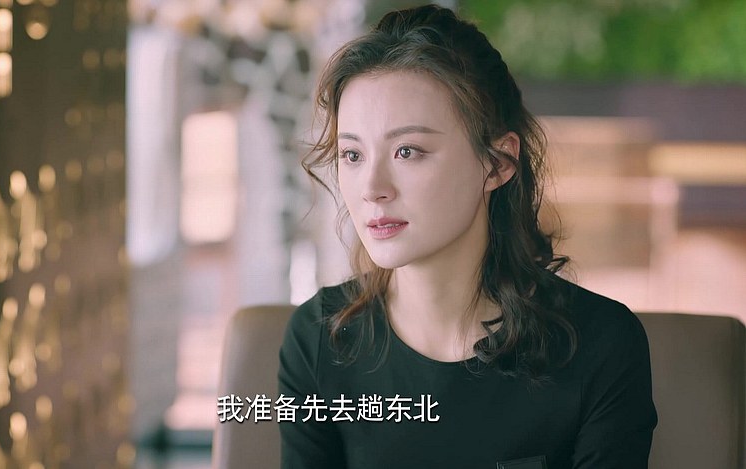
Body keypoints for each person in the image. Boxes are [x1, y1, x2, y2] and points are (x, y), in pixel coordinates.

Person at [278, 4, 657, 468]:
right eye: (352, 155)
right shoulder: (318, 341)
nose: (372, 188)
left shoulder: (600, 345)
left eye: (407, 151)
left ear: (497, 163)